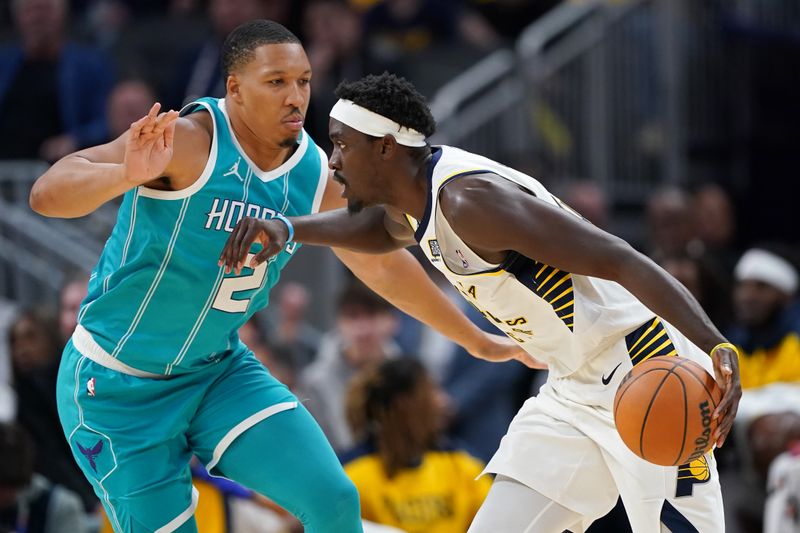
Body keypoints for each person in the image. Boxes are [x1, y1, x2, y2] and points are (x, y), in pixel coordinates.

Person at [29, 22, 522, 532]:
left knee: (333, 499)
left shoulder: (314, 173)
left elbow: (380, 262)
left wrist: (476, 340)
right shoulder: (188, 141)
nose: (296, 97)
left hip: (216, 374)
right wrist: (123, 175)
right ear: (235, 89)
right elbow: (46, 194)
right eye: (277, 82)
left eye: (304, 81)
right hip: (114, 386)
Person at [220, 72, 743, 532]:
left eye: (341, 145)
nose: (332, 161)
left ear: (383, 147)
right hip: (570, 388)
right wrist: (289, 228)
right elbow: (380, 229)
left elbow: (621, 259)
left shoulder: (469, 201)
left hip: (642, 371)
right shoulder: (412, 200)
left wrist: (716, 346)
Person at [342, 357, 492, 533]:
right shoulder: (353, 475)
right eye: (432, 391)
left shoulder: (461, 465)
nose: (442, 401)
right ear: (404, 403)